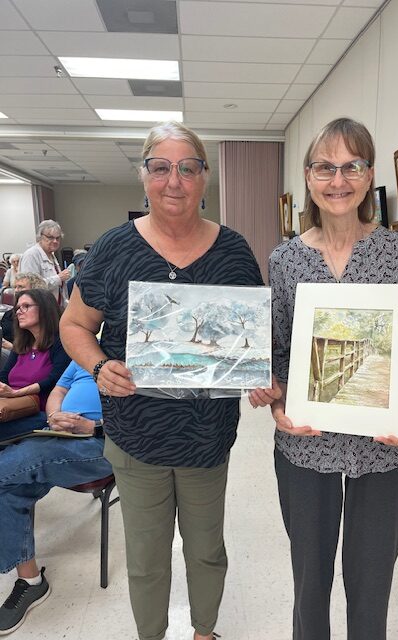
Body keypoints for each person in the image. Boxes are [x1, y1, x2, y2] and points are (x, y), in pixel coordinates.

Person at [60, 121, 279, 640]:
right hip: (136, 437)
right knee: (146, 559)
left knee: (207, 551)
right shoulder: (113, 249)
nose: (173, 181)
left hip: (207, 438)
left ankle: (205, 632)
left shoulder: (233, 251)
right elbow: (73, 325)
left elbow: (251, 338)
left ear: (204, 178)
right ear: (144, 176)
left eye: (187, 168)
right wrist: (99, 367)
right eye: (160, 168)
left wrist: (258, 375)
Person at [250, 117, 398, 640]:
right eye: (325, 168)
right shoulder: (286, 260)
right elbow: (279, 352)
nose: (339, 180)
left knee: (371, 588)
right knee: (309, 586)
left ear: (370, 175)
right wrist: (275, 402)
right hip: (306, 445)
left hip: (385, 449)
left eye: (352, 166)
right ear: (308, 177)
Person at [0, 360, 112, 635]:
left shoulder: (133, 357)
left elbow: (145, 419)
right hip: (59, 435)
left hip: (104, 443)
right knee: (9, 488)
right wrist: (53, 416)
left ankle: (31, 582)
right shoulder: (82, 356)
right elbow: (58, 391)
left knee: (16, 464)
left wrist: (95, 426)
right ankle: (31, 581)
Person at [0, 289, 71, 440]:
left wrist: (17, 393)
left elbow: (55, 380)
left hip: (38, 411)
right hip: (9, 406)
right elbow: (4, 376)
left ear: (44, 309)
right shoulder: (22, 344)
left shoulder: (61, 342)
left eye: (26, 306)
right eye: (17, 308)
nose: (19, 312)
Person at [19, 221, 70, 307]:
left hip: (55, 308)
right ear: (40, 237)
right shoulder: (31, 255)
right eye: (50, 237)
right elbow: (30, 287)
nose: (55, 241)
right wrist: (58, 278)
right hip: (40, 309)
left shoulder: (52, 255)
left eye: (58, 238)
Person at [1, 272, 47, 353]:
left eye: (21, 287)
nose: (16, 290)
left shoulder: (42, 316)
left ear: (34, 290)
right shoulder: (9, 314)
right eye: (15, 287)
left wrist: (11, 347)